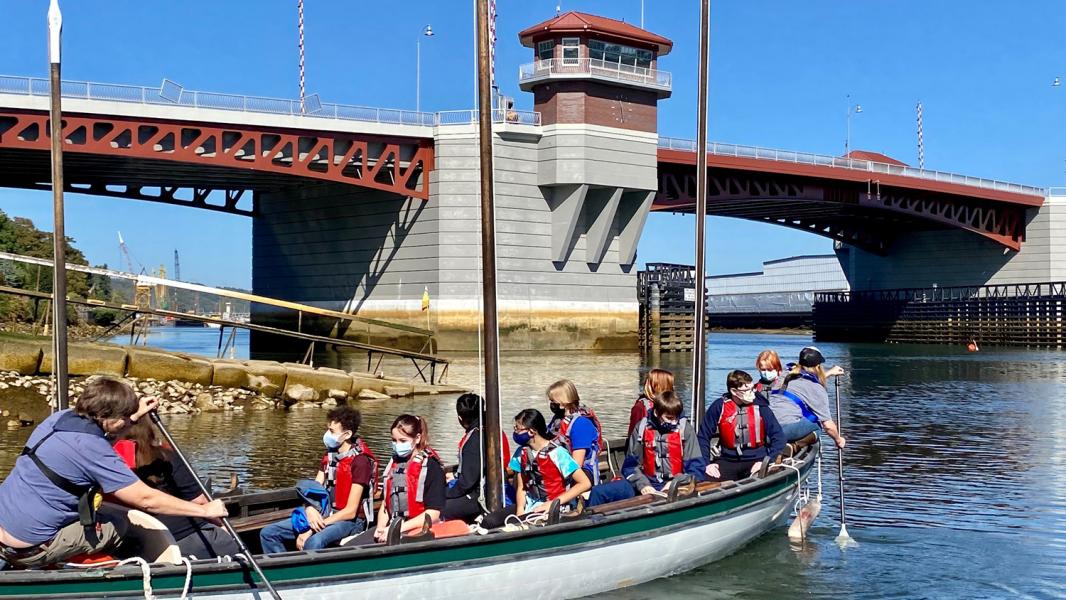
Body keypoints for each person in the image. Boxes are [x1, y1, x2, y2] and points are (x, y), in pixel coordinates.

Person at [0, 377, 227, 569]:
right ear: (111, 418)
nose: (129, 421)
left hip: (4, 531)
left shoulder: (57, 420)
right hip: (28, 549)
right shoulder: (93, 449)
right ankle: (121, 568)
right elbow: (147, 500)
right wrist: (204, 509)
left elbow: (96, 440)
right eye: (125, 417)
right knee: (123, 523)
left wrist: (135, 416)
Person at [113, 420, 239, 559]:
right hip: (183, 536)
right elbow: (200, 501)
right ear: (149, 431)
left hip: (131, 538)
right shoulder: (166, 457)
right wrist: (222, 527)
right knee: (224, 539)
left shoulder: (105, 461)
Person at [260, 406, 377, 553]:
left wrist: (311, 529)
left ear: (347, 434)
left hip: (349, 521)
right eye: (328, 429)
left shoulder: (360, 462)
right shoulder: (329, 456)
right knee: (269, 533)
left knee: (314, 541)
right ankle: (282, 571)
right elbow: (314, 489)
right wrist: (309, 508)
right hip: (326, 514)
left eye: (332, 431)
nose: (327, 434)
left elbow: (351, 511)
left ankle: (306, 573)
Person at [589, 391, 705, 506]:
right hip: (646, 483)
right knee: (598, 492)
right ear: (656, 413)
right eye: (669, 418)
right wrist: (643, 485)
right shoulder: (641, 428)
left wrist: (676, 482)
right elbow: (630, 467)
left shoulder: (685, 430)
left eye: (676, 418)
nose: (674, 422)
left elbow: (697, 470)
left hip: (676, 486)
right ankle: (590, 522)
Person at [480, 409, 591, 529]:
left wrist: (553, 503)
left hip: (553, 506)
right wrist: (520, 509)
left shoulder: (558, 453)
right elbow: (521, 487)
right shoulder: (521, 453)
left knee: (516, 526)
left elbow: (584, 483)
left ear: (532, 431)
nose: (515, 432)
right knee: (489, 521)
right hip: (529, 503)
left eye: (517, 429)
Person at [344, 415, 446, 546]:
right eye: (394, 440)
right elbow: (386, 505)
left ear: (417, 438)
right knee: (350, 547)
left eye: (403, 441)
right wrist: (381, 527)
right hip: (392, 526)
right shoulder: (395, 463)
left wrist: (395, 529)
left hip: (418, 529)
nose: (397, 445)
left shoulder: (431, 467)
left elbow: (434, 514)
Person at [698, 370, 786, 482]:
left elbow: (778, 437)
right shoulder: (719, 406)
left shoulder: (761, 406)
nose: (751, 393)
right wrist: (707, 464)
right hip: (728, 460)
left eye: (752, 388)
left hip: (757, 459)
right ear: (734, 391)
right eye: (746, 390)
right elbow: (703, 437)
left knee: (758, 479)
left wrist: (767, 461)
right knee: (706, 479)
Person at [767, 346, 847, 447]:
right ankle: (793, 446)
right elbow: (828, 426)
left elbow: (803, 380)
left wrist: (830, 373)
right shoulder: (816, 388)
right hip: (784, 431)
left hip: (766, 429)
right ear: (818, 366)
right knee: (817, 424)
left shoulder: (785, 375)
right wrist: (839, 440)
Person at [546, 379, 603, 485]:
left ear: (564, 402)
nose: (551, 404)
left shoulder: (581, 424)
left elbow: (577, 463)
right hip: (559, 468)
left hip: (581, 476)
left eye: (553, 401)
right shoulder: (558, 420)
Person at [444, 393, 487, 523]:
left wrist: (446, 493)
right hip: (478, 489)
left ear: (460, 417)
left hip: (479, 496)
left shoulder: (474, 439)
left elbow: (467, 482)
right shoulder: (486, 430)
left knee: (437, 507)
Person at [626, 368, 675, 445]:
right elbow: (633, 435)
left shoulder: (673, 405)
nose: (673, 388)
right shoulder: (641, 407)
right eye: (671, 385)